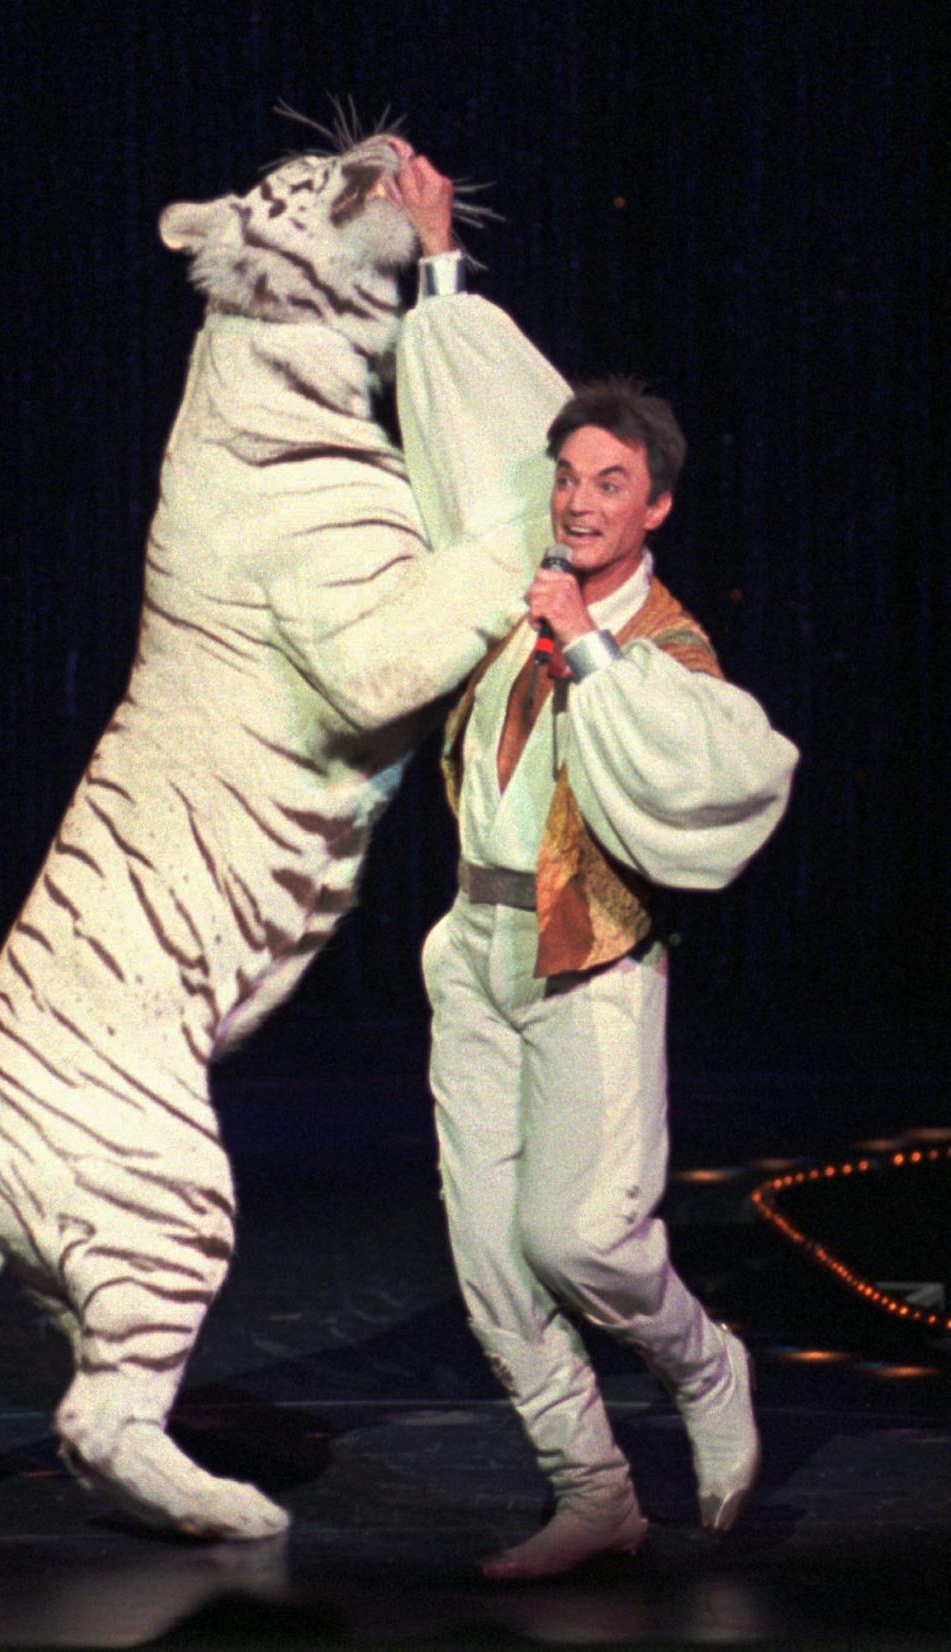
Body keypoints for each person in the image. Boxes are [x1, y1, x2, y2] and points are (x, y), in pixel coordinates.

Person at [391, 152, 800, 1580]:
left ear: (654, 510)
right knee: (490, 1260)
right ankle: (591, 1488)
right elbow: (476, 417)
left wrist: (583, 644)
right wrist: (436, 265)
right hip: (474, 952)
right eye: (566, 476)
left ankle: (702, 1365)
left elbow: (724, 770)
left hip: (591, 971)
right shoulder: (530, 561)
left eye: (604, 484)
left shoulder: (663, 649)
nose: (571, 499)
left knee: (583, 1245)